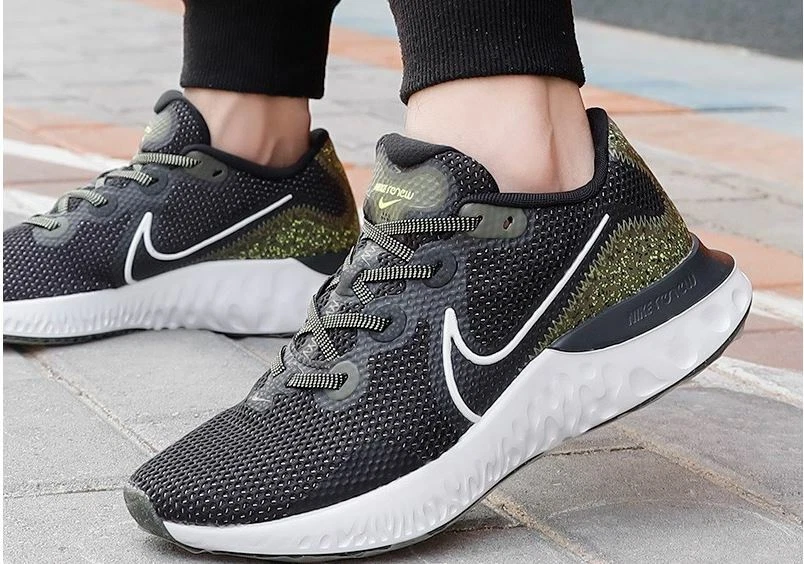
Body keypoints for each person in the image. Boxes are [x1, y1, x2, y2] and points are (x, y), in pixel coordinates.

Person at [3, 0, 752, 559]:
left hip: (541, 211)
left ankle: (521, 160)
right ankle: (243, 135)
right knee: (237, 95)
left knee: (484, 116)